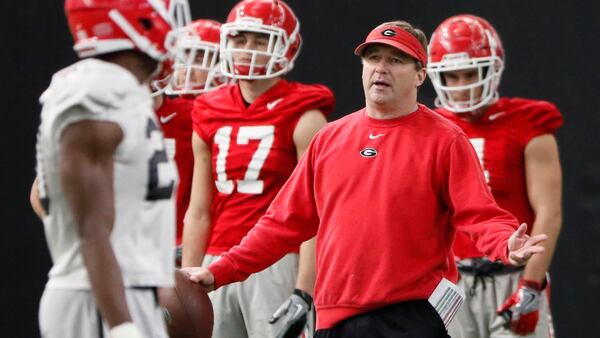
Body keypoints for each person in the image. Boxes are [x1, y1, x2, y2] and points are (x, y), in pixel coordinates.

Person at [182, 20, 548, 338]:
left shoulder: (445, 139)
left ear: (421, 74)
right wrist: (219, 272)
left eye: (396, 59)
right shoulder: (330, 138)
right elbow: (281, 224)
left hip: (410, 314)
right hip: (333, 315)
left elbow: (479, 214)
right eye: (373, 58)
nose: (381, 68)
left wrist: (506, 245)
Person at [34, 0, 188, 337]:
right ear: (132, 19)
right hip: (99, 298)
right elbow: (89, 225)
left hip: (122, 291)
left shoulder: (124, 90)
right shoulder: (97, 91)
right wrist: (120, 325)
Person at [181, 0, 335, 337]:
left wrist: (304, 288)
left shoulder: (305, 113)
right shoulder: (208, 108)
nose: (247, 50)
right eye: (240, 38)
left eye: (260, 40)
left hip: (276, 262)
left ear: (285, 47)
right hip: (215, 260)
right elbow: (199, 210)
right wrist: (185, 277)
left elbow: (316, 215)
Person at [427, 14, 563, 338]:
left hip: (512, 274)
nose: (462, 87)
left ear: (491, 69)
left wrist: (531, 284)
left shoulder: (528, 122)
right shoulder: (427, 128)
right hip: (452, 281)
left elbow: (549, 213)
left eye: (470, 73)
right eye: (452, 76)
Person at [154, 19, 226, 265]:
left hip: (218, 244)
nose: (187, 69)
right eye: (183, 57)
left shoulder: (236, 116)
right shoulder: (158, 111)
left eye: (200, 58)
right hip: (160, 243)